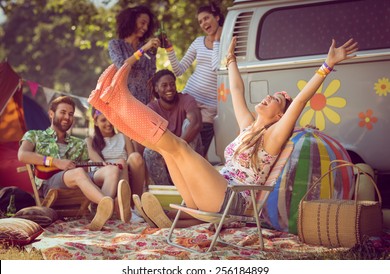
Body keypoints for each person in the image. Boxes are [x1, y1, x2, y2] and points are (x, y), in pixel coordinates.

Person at [89, 36, 358, 217]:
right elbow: (237, 91)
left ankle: (118, 100)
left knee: (179, 146)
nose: (267, 97)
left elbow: (300, 100)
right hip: (210, 194)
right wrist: (230, 60)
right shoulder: (248, 127)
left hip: (231, 201)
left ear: (279, 117)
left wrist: (327, 66)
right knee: (167, 150)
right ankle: (112, 109)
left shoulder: (273, 137)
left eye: (275, 99)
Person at [18, 96, 132, 231]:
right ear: (51, 114)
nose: (67, 117)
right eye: (63, 112)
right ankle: (112, 204)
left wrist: (105, 167)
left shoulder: (78, 143)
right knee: (77, 173)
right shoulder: (35, 135)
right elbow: (23, 155)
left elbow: (88, 169)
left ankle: (101, 213)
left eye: (71, 114)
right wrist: (55, 162)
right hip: (49, 183)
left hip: (76, 181)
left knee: (111, 170)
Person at [163, 2, 224, 157]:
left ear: (217, 17)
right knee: (181, 140)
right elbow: (178, 70)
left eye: (206, 18)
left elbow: (217, 68)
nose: (204, 23)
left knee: (199, 150)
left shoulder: (227, 42)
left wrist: (217, 41)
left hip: (210, 106)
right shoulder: (198, 42)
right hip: (190, 98)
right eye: (200, 21)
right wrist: (170, 48)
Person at [108, 5, 161, 154]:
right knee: (133, 150)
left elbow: (152, 74)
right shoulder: (115, 45)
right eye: (142, 22)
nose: (145, 27)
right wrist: (143, 49)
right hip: (126, 102)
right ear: (131, 21)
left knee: (148, 149)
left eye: (147, 25)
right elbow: (122, 65)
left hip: (146, 104)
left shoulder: (149, 49)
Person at [143, 69, 203, 185]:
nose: (169, 88)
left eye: (172, 84)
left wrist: (178, 147)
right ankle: (165, 190)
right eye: (164, 85)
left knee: (188, 124)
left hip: (186, 149)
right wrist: (171, 153)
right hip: (166, 153)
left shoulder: (186, 99)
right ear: (156, 89)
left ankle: (193, 184)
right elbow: (152, 138)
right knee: (149, 151)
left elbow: (196, 123)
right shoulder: (152, 108)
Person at [86, 108, 146, 201]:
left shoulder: (122, 136)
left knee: (136, 157)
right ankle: (124, 202)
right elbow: (96, 159)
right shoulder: (90, 140)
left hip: (125, 170)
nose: (108, 124)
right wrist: (115, 167)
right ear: (96, 122)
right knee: (120, 162)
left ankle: (136, 201)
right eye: (103, 120)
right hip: (103, 171)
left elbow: (131, 157)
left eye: (110, 119)